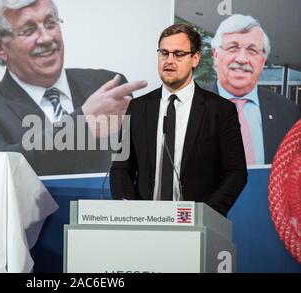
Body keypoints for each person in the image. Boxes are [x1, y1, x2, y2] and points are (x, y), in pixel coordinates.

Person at [0, 0, 147, 175]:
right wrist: (81, 124)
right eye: (29, 30)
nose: (47, 38)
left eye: (50, 23)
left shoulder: (108, 86)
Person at [110, 24, 248, 216]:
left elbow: (236, 173)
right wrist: (130, 212)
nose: (169, 60)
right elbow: (120, 168)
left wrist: (207, 215)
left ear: (195, 58)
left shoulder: (220, 110)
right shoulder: (138, 107)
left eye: (178, 54)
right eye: (164, 53)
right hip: (144, 224)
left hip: (196, 226)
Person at [206, 14, 299, 165]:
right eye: (232, 48)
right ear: (216, 55)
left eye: (252, 50)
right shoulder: (188, 107)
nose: (242, 59)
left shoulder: (288, 112)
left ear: (263, 61)